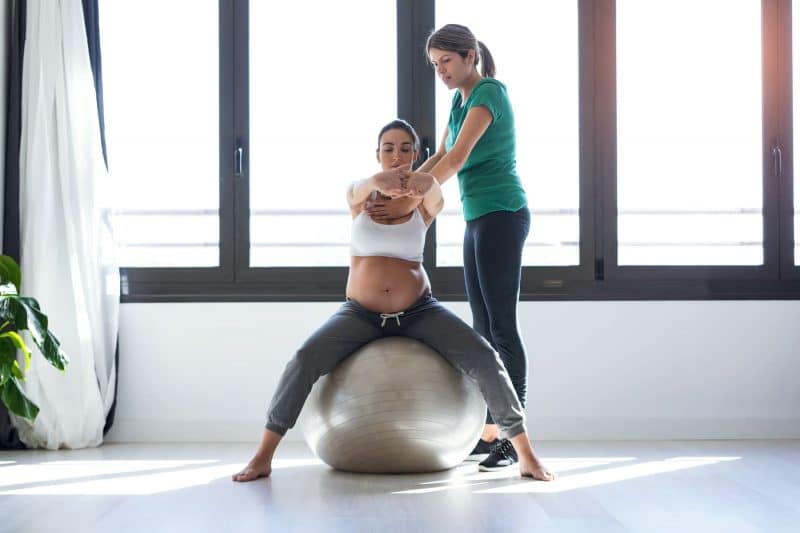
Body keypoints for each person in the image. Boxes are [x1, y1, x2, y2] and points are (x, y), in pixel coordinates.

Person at [232, 119, 553, 483]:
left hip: (418, 310)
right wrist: (376, 182)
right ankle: (262, 456)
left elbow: (435, 191)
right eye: (388, 148)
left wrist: (420, 182)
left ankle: (525, 454)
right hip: (360, 313)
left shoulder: (424, 203)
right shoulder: (360, 198)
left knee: (485, 357)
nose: (396, 155)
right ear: (377, 154)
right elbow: (355, 188)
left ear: (415, 154)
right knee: (304, 360)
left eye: (405, 148)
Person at [366, 25, 533, 471]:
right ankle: (490, 432)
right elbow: (438, 158)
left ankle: (512, 438)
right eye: (435, 64)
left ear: (470, 56)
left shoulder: (488, 94)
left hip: (503, 213)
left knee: (502, 326)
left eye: (447, 61)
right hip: (478, 218)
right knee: (481, 327)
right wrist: (404, 184)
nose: (441, 71)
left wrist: (408, 189)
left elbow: (457, 160)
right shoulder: (459, 102)